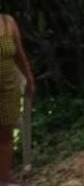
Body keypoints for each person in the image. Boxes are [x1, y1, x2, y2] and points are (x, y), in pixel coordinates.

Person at [0, 14, 34, 186]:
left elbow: (19, 54)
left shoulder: (7, 22)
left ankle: (5, 178)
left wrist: (29, 78)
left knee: (6, 135)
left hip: (8, 88)